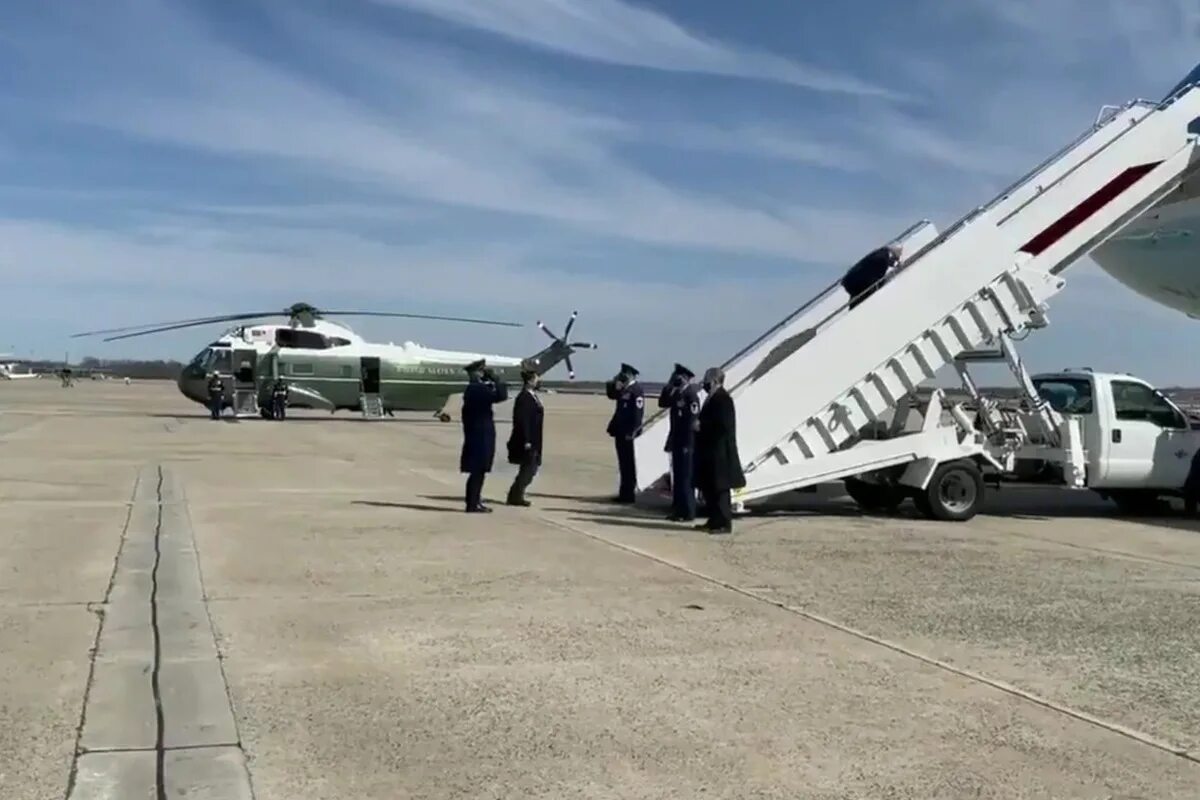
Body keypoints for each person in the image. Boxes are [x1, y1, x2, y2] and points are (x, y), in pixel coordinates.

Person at [695, 366, 745, 534]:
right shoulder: (712, 398)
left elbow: (723, 426)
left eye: (707, 380)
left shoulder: (723, 399)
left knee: (720, 489)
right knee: (710, 488)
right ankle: (714, 520)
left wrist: (702, 426)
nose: (705, 384)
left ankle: (724, 523)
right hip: (710, 452)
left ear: (715, 381)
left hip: (720, 453)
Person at [460, 359, 508, 513]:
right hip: (480, 437)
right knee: (478, 471)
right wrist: (497, 379)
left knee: (478, 472)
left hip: (477, 435)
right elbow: (501, 396)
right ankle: (473, 503)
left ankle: (474, 501)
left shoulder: (473, 389)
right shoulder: (477, 389)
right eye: (482, 371)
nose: (483, 373)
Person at [659, 363, 701, 521]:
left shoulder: (691, 395)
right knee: (677, 478)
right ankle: (679, 509)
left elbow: (693, 422)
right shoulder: (678, 393)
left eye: (678, 376)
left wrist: (688, 445)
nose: (676, 378)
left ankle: (688, 512)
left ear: (686, 378)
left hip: (686, 443)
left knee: (685, 479)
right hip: (677, 441)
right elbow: (662, 402)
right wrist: (670, 384)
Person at [605, 362, 645, 503]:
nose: (622, 377)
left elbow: (637, 415)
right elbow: (611, 394)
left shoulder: (636, 390)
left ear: (631, 375)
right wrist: (615, 381)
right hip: (621, 432)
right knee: (623, 464)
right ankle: (624, 493)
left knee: (629, 465)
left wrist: (633, 432)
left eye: (624, 375)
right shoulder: (625, 389)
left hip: (629, 434)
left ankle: (628, 494)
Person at [506, 368, 545, 506]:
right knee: (529, 469)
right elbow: (523, 420)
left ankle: (516, 494)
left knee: (530, 469)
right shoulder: (524, 397)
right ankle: (515, 496)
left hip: (535, 438)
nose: (538, 381)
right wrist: (526, 439)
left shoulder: (532, 395)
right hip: (527, 439)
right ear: (529, 381)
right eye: (535, 379)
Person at [841, 242, 902, 309]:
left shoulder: (880, 253)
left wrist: (894, 264)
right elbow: (879, 275)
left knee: (856, 299)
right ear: (892, 255)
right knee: (863, 297)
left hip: (851, 280)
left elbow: (881, 263)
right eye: (895, 258)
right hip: (857, 282)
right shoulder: (882, 259)